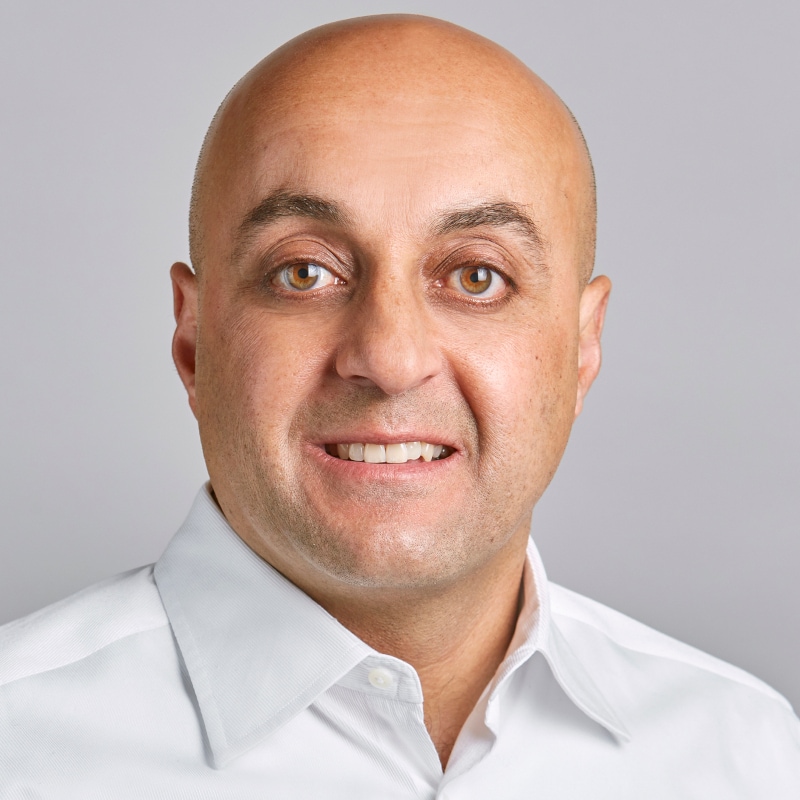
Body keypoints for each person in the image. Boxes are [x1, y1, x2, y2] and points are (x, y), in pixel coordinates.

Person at [1, 14, 798, 797]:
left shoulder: (746, 755)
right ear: (194, 342)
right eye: (304, 273)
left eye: (478, 277)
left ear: (582, 349)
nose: (389, 360)